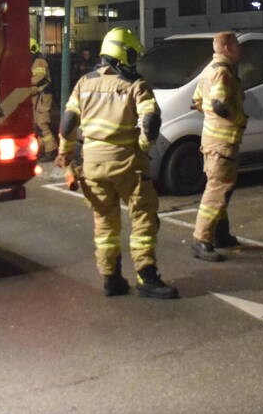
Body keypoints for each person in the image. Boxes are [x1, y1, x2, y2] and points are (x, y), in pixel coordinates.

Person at [56, 27, 179, 299]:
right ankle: (146, 277)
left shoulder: (84, 82)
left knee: (105, 224)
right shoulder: (135, 85)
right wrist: (143, 148)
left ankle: (111, 279)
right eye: (132, 54)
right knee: (143, 218)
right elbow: (151, 122)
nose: (134, 61)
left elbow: (67, 123)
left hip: (92, 166)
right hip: (127, 164)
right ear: (122, 53)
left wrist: (66, 156)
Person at [190, 31, 246, 262]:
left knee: (222, 187)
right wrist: (238, 119)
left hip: (212, 139)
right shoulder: (223, 72)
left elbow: (197, 101)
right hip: (222, 141)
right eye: (237, 45)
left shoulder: (208, 69)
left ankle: (220, 234)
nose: (240, 50)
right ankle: (201, 239)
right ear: (227, 48)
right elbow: (219, 104)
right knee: (217, 189)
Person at [30, 38, 57, 161]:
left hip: (43, 96)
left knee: (42, 122)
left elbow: (39, 78)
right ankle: (42, 149)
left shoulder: (39, 61)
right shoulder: (33, 60)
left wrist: (24, 81)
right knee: (36, 123)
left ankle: (51, 150)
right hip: (37, 96)